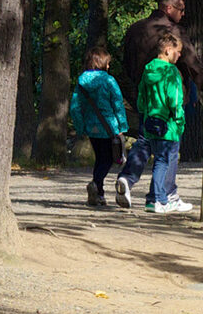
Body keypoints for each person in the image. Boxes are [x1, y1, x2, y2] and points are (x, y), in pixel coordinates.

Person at [114, 31, 193, 214]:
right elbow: (174, 99)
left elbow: (141, 97)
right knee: (163, 161)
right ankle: (160, 199)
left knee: (158, 158)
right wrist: (179, 120)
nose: (179, 55)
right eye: (177, 51)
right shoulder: (171, 71)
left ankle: (154, 200)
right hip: (169, 124)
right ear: (167, 50)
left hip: (150, 121)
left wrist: (145, 113)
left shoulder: (148, 69)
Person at [69, 46, 128, 207]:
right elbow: (117, 104)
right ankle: (95, 184)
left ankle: (99, 193)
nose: (109, 66)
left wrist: (81, 128)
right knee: (108, 160)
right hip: (109, 127)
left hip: (92, 128)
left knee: (100, 159)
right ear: (101, 63)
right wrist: (122, 125)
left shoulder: (81, 82)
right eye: (107, 63)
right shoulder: (109, 80)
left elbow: (75, 107)